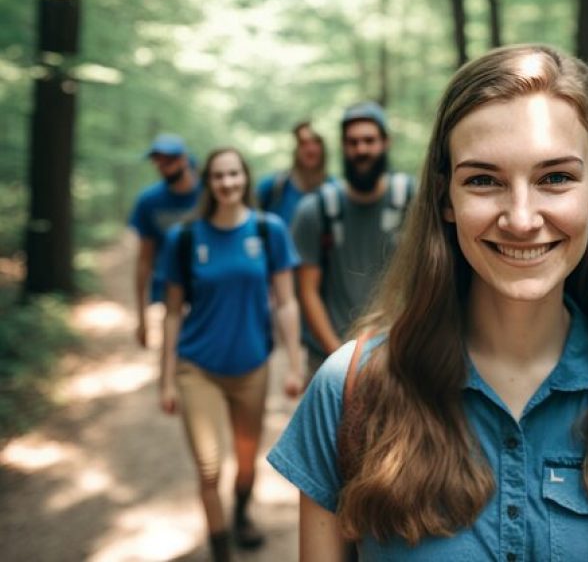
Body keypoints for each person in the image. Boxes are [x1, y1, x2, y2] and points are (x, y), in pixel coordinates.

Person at [267, 45, 588, 561]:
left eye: (555, 178)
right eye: (483, 180)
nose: (521, 218)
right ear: (445, 199)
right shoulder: (351, 393)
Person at [159, 147, 304, 561]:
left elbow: (286, 303)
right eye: (219, 176)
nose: (227, 183)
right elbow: (171, 314)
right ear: (208, 182)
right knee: (209, 467)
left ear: (245, 177)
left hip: (251, 367)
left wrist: (294, 365)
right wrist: (166, 379)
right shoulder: (184, 238)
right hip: (196, 368)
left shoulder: (267, 230)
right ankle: (221, 547)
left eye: (234, 174)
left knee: (245, 462)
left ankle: (241, 514)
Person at [291, 102, 415, 374]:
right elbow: (307, 291)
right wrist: (339, 357)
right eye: (353, 142)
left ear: (385, 143)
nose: (361, 150)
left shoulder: (412, 201)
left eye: (369, 141)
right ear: (343, 147)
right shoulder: (316, 210)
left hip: (400, 355)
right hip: (329, 358)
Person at [128, 133, 201, 348]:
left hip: (209, 283)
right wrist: (142, 318)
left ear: (184, 159)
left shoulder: (209, 194)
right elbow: (144, 260)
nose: (163, 166)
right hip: (170, 288)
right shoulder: (149, 202)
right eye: (157, 160)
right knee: (175, 349)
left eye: (169, 159)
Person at [256, 121, 330, 226]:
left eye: (316, 142)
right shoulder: (274, 187)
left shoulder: (334, 191)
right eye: (303, 143)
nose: (310, 149)